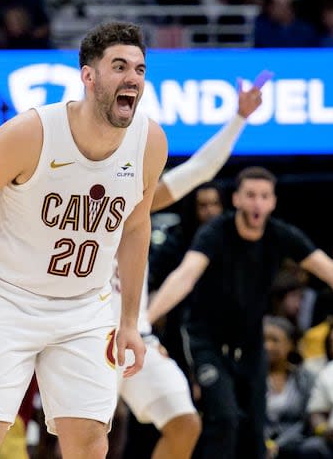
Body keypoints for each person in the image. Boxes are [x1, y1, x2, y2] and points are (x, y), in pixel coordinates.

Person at [0, 21, 168, 459]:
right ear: (89, 76)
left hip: (85, 306)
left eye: (140, 69)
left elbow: (136, 227)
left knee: (89, 445)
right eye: (119, 66)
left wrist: (128, 322)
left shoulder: (150, 141)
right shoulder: (30, 133)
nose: (132, 79)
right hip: (5, 299)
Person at [146, 166, 333, 459]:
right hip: (206, 338)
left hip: (249, 342)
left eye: (264, 196)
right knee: (224, 419)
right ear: (236, 199)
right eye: (250, 195)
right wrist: (143, 322)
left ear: (273, 202)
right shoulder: (215, 232)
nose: (257, 203)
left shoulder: (279, 234)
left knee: (254, 430)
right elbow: (185, 275)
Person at [111, 73, 266, 459]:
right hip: (82, 335)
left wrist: (239, 119)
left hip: (136, 338)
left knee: (185, 423)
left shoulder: (139, 202)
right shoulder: (73, 198)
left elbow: (201, 168)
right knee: (91, 440)